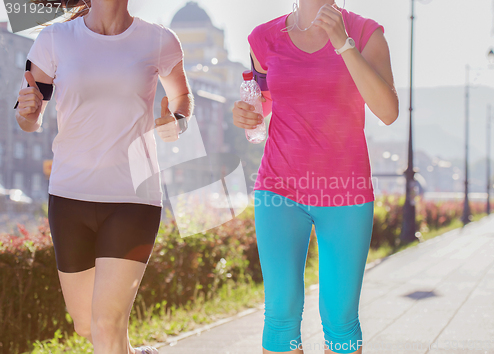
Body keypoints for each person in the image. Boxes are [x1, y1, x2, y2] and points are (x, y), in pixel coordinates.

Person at [14, 0, 193, 353]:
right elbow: (28, 117)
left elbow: (182, 96)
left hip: (133, 197)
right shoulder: (53, 39)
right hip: (69, 196)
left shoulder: (159, 40)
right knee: (87, 325)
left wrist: (178, 121)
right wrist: (28, 110)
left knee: (106, 325)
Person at [232, 1, 398, 353]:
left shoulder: (366, 32)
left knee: (340, 320)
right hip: (279, 192)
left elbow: (388, 111)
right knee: (280, 316)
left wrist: (343, 44)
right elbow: (263, 102)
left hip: (345, 194)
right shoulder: (263, 38)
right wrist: (247, 114)